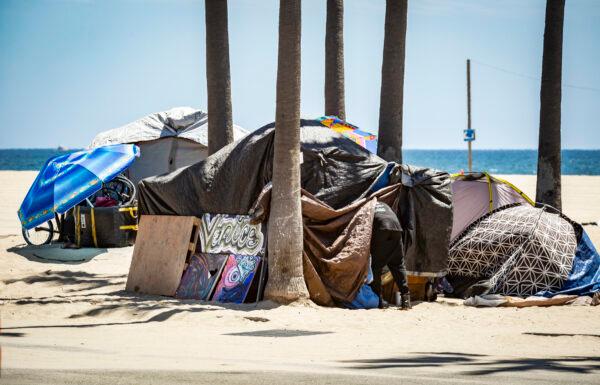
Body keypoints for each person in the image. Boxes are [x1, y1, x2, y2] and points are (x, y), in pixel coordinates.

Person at [369, 201, 410, 309]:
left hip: (382, 229)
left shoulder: (368, 205)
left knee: (375, 267)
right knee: (398, 265)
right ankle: (406, 300)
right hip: (397, 228)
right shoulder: (385, 204)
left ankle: (378, 300)